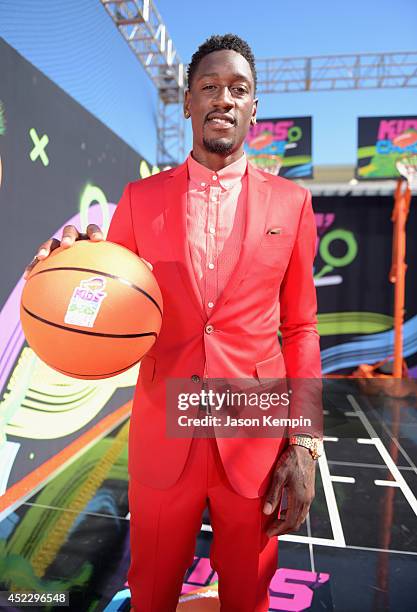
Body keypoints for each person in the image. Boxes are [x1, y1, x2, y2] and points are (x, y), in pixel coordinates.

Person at [25, 34, 323, 612]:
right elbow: (107, 295)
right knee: (152, 592)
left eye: (239, 89)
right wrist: (67, 269)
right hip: (166, 430)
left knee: (249, 597)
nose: (223, 99)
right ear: (186, 102)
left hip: (255, 433)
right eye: (209, 87)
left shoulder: (292, 203)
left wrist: (305, 443)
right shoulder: (139, 200)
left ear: (255, 106)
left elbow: (303, 328)